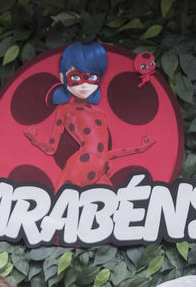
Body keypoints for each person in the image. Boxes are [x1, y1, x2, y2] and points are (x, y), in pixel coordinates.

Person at [23, 41, 154, 187]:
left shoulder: (100, 114)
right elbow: (51, 148)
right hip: (80, 166)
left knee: (114, 205)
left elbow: (104, 151)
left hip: (99, 166)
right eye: (76, 78)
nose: (84, 85)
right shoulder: (65, 109)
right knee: (61, 203)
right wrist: (33, 139)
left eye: (92, 78)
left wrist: (141, 148)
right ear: (62, 78)